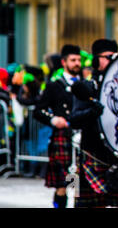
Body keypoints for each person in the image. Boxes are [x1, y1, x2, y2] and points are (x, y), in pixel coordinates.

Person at [70, 39, 118, 208]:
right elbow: (74, 120)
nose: (112, 61)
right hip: (94, 155)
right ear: (96, 60)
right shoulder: (87, 87)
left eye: (114, 57)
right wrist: (92, 111)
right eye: (107, 57)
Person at [33, 44, 81, 208]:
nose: (77, 63)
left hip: (81, 141)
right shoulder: (55, 85)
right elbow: (38, 111)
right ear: (64, 62)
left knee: (77, 185)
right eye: (73, 60)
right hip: (62, 138)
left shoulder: (85, 85)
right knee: (62, 185)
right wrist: (53, 120)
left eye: (79, 60)